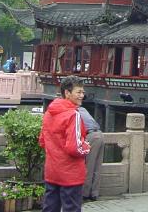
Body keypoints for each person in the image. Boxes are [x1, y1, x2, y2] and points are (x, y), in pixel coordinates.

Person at [39, 75, 91, 212]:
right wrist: (86, 147)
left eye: (83, 92)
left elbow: (42, 141)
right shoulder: (73, 115)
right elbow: (75, 148)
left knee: (50, 208)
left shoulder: (49, 113)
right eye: (78, 92)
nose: (82, 96)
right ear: (67, 93)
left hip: (52, 170)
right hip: (70, 174)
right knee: (71, 208)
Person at [78, 106, 103, 201]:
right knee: (97, 166)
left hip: (91, 136)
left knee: (88, 165)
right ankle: (94, 193)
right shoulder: (83, 109)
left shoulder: (73, 112)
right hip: (100, 134)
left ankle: (85, 193)